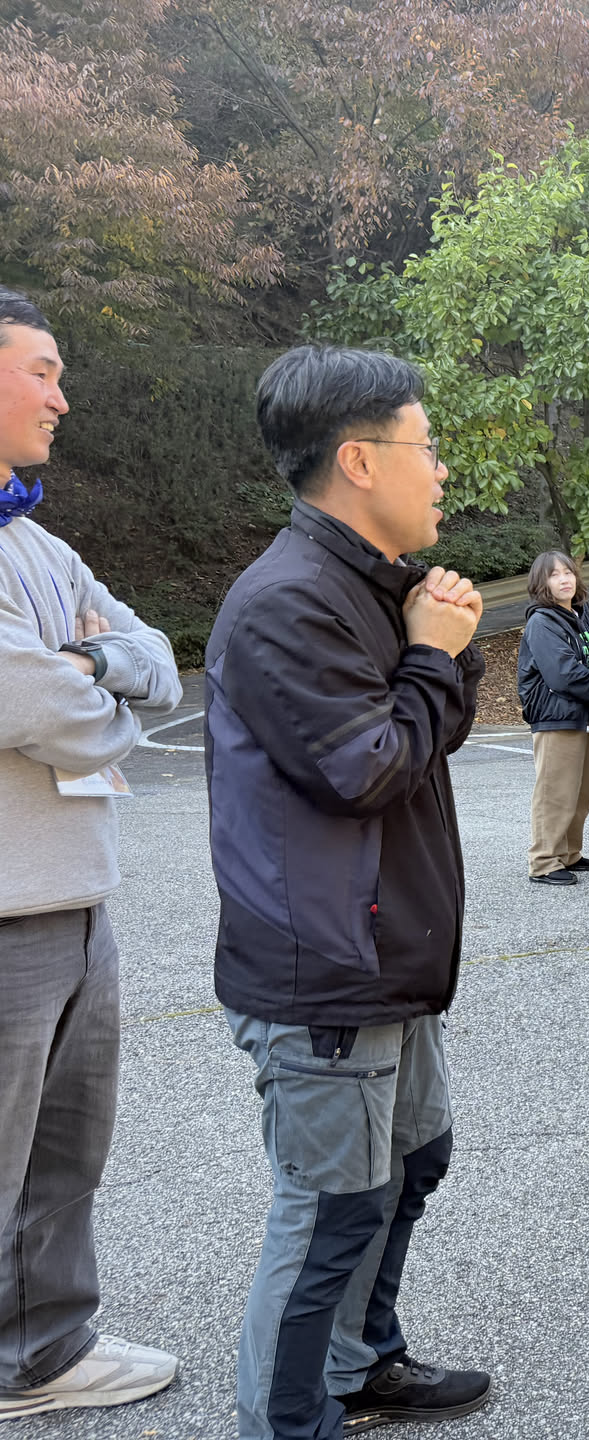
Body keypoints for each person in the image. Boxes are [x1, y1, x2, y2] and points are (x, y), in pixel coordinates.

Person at [209, 344, 491, 1436]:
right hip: (327, 968)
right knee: (329, 1211)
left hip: (387, 956)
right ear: (359, 461)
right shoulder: (288, 601)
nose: (443, 469)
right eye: (428, 445)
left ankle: (357, 1363)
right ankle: (286, 1423)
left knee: (413, 1161)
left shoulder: (376, 587)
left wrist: (444, 651)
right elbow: (366, 769)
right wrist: (434, 655)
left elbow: (422, 740)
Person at [0, 289, 183, 1422]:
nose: (63, 399)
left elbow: (155, 658)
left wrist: (94, 666)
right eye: (43, 372)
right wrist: (93, 689)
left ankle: (42, 1353)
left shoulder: (38, 542)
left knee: (65, 1154)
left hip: (77, 899)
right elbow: (37, 705)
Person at [517, 550, 589, 886]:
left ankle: (568, 852)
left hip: (583, 713)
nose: (564, 579)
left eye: (568, 572)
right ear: (541, 583)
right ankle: (543, 861)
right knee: (555, 791)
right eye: (554, 574)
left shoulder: (580, 614)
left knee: (580, 791)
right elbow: (564, 675)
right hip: (556, 715)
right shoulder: (542, 622)